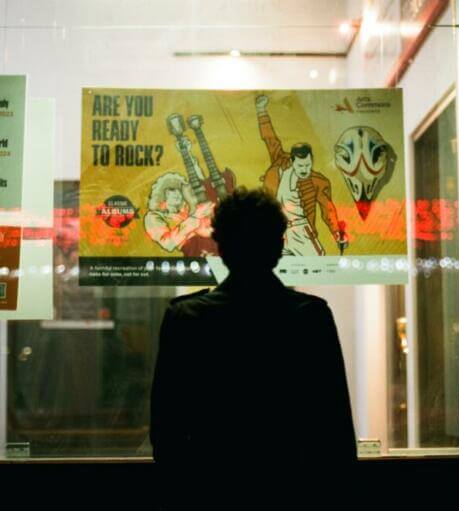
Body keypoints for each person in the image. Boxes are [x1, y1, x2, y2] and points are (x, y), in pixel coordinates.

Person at [149, 187, 357, 508]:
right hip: (294, 489)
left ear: (221, 245)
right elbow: (334, 428)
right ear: (278, 245)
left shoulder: (187, 318)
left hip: (210, 489)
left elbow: (168, 432)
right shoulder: (310, 317)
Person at [255, 94, 348, 256]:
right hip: (277, 233)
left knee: (317, 268)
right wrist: (261, 112)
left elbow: (328, 210)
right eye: (300, 165)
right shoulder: (281, 164)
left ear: (312, 161)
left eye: (307, 165)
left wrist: (337, 233)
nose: (304, 169)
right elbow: (271, 139)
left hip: (302, 233)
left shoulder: (318, 181)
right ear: (292, 161)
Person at [144, 171, 217, 257]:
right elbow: (168, 243)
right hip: (196, 252)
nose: (177, 194)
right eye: (172, 190)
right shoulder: (152, 217)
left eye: (179, 190)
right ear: (162, 194)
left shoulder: (187, 206)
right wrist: (194, 218)